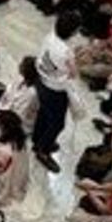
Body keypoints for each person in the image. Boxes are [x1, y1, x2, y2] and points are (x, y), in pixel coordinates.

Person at [33, 11, 82, 173]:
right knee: (57, 123)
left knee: (43, 112)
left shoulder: (50, 36)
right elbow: (74, 74)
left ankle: (37, 138)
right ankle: (43, 151)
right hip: (55, 90)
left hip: (41, 81)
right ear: (74, 32)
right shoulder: (67, 52)